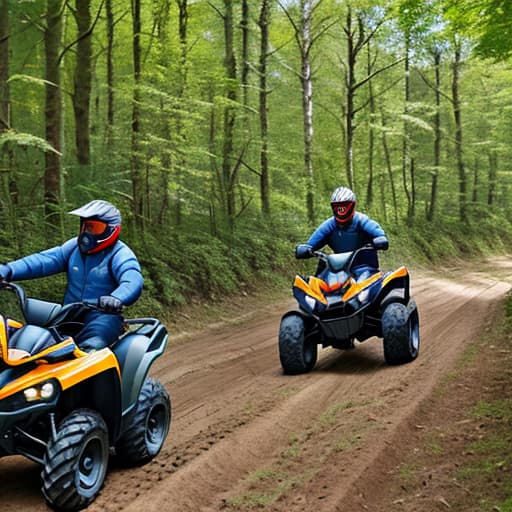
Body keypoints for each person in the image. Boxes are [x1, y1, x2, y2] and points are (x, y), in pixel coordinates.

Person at [0, 200, 144, 351]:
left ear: (111, 230)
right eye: (85, 226)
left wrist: (117, 298)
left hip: (102, 315)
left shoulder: (120, 254)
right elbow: (44, 260)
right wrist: (8, 270)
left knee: (94, 344)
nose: (87, 233)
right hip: (69, 312)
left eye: (94, 228)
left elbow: (132, 279)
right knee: (34, 341)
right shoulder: (73, 248)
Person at [295, 186, 388, 280]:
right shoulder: (329, 225)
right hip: (338, 270)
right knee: (317, 284)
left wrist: (379, 240)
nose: (341, 209)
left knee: (375, 288)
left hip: (365, 268)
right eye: (338, 206)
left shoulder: (362, 221)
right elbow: (311, 244)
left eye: (344, 206)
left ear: (353, 206)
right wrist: (305, 249)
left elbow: (379, 234)